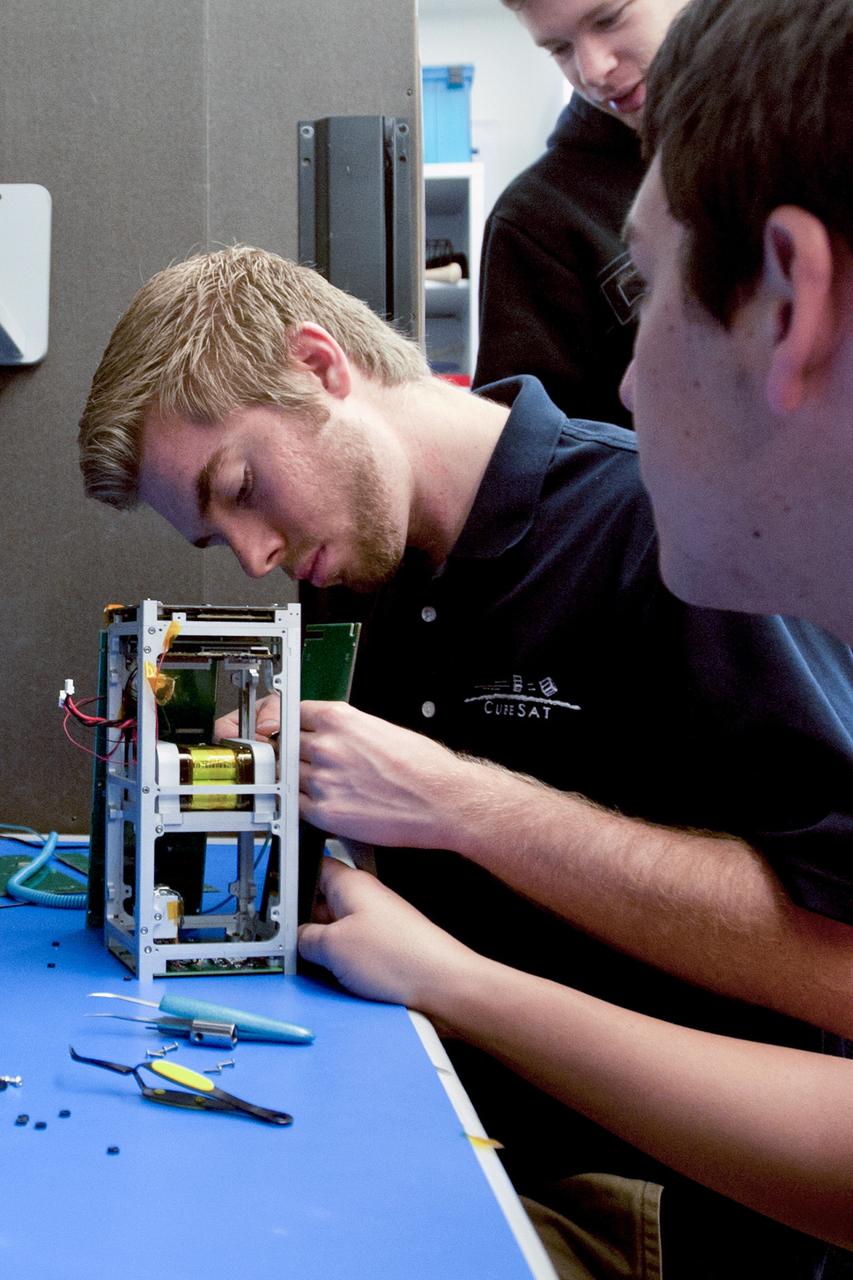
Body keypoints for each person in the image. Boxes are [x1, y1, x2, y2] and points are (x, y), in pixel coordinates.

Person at [78, 245, 853, 1277]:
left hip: (654, 1203)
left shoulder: (654, 526)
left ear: (320, 365)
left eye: (242, 486)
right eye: (217, 538)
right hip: (442, 1125)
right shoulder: (361, 567)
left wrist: (457, 800)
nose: (256, 554)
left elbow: (834, 950)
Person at [472, 0, 685, 425]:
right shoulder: (537, 219)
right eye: (559, 48)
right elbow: (534, 466)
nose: (592, 71)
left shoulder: (811, 112)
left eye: (609, 19)